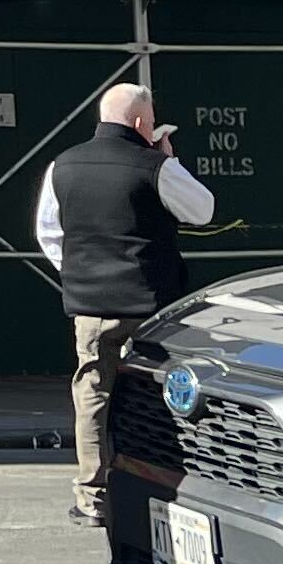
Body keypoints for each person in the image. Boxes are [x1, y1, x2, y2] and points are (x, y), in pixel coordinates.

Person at [40, 80, 215, 526]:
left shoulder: (62, 165)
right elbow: (203, 210)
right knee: (160, 395)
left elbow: (49, 234)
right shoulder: (154, 165)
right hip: (151, 308)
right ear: (141, 122)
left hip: (90, 306)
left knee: (93, 395)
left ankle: (93, 498)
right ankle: (160, 490)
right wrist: (169, 160)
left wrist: (81, 271)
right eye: (152, 122)